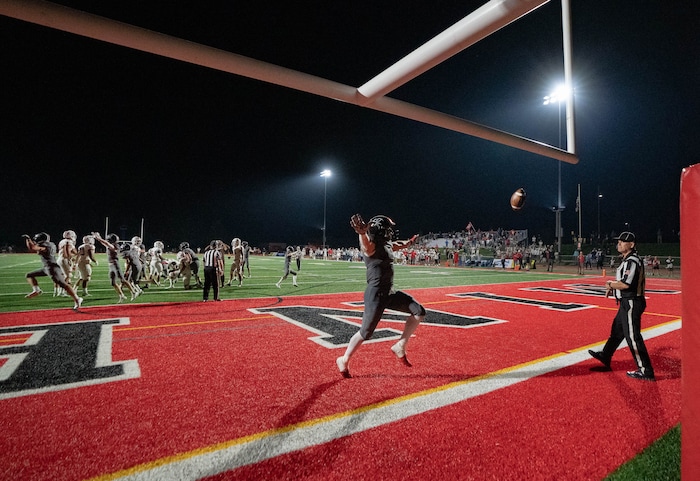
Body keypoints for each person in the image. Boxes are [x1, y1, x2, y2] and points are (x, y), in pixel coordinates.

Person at [336, 214, 426, 378]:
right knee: (366, 332)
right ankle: (344, 359)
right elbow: (366, 247)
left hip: (388, 292)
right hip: (376, 294)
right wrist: (362, 234)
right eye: (388, 229)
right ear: (381, 229)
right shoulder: (371, 244)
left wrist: (411, 242)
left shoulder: (387, 244)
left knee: (419, 311)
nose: (390, 232)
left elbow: (400, 244)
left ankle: (401, 345)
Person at [588, 232, 655, 380]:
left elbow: (625, 284)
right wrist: (613, 286)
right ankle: (605, 355)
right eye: (618, 241)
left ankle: (646, 370)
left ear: (632, 244)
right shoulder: (628, 260)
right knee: (617, 332)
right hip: (627, 302)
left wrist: (610, 284)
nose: (619, 244)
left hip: (631, 301)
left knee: (633, 336)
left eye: (623, 241)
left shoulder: (631, 261)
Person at [23, 232, 83, 310]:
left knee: (63, 284)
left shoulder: (45, 245)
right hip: (47, 267)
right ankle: (36, 290)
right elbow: (33, 247)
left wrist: (28, 239)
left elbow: (32, 248)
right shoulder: (50, 244)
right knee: (29, 275)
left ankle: (77, 299)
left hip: (52, 268)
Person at [93, 232, 138, 303]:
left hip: (115, 264)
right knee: (113, 282)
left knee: (122, 280)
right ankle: (122, 295)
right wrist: (99, 238)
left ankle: (133, 292)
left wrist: (99, 238)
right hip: (111, 265)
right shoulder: (111, 245)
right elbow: (105, 243)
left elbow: (107, 244)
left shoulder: (115, 245)